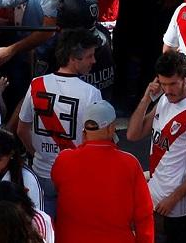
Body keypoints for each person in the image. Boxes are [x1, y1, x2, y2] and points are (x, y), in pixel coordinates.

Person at [126, 51, 186, 239]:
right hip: (156, 198)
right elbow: (133, 134)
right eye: (163, 84)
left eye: (173, 84)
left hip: (181, 209)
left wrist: (174, 198)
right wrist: (146, 99)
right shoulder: (164, 100)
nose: (167, 90)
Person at [17, 29, 103, 216]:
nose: (94, 61)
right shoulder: (91, 94)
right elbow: (98, 142)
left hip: (40, 172)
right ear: (73, 58)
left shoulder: (36, 84)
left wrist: (39, 154)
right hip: (74, 176)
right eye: (90, 56)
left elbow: (22, 130)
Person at [52, 100, 154, 242]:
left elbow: (59, 185)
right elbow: (144, 216)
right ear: (111, 128)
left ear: (85, 129)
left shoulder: (63, 160)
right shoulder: (130, 163)